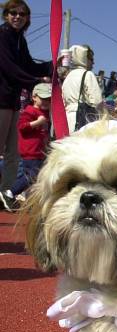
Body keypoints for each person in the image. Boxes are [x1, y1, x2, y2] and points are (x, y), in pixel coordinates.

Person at [0, 0, 51, 193]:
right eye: (13, 13)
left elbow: (29, 65)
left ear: (27, 19)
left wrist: (52, 65)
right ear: (6, 15)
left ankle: (5, 194)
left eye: (22, 14)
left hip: (12, 102)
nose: (18, 17)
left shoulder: (20, 39)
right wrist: (35, 83)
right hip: (1, 100)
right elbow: (9, 68)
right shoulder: (3, 35)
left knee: (14, 153)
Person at [0, 82, 50, 211]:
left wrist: (46, 143)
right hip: (30, 151)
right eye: (43, 98)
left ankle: (29, 202)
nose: (46, 102)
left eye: (48, 99)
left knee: (35, 179)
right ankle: (10, 192)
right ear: (34, 97)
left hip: (38, 151)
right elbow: (22, 127)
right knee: (32, 175)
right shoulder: (29, 111)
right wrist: (37, 122)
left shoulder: (43, 113)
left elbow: (43, 134)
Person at [61, 44, 103, 134]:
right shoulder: (88, 74)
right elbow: (97, 101)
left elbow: (63, 100)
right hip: (83, 120)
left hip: (67, 119)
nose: (93, 63)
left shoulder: (68, 76)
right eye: (91, 59)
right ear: (84, 58)